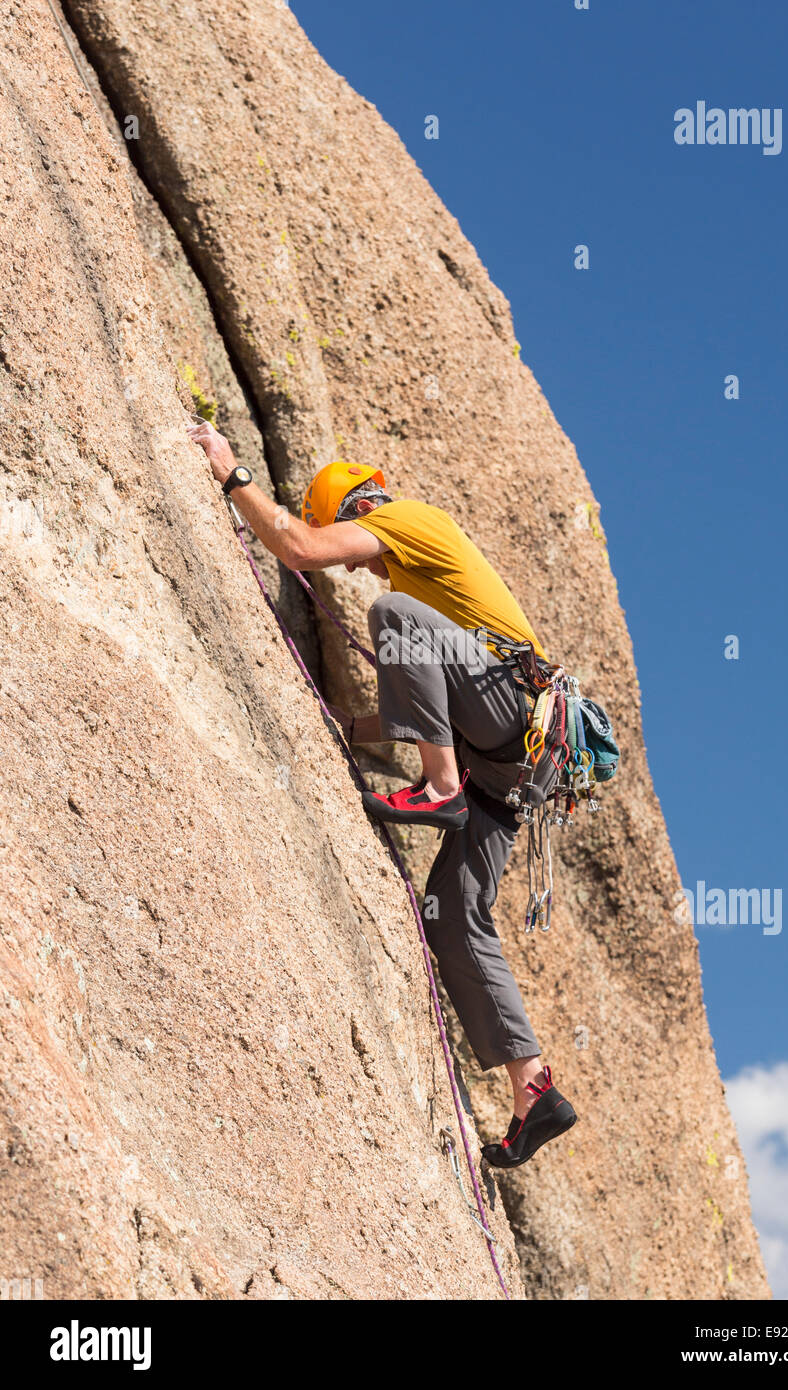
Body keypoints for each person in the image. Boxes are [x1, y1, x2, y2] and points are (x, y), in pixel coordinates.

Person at [189, 419, 576, 1168]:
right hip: (514, 764)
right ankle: (535, 1089)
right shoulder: (428, 564)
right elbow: (428, 704)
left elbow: (300, 547)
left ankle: (439, 791)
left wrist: (231, 474)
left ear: (358, 509)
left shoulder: (406, 521)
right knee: (456, 918)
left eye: (357, 550)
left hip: (500, 733)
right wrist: (345, 725)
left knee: (397, 619)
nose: (363, 571)